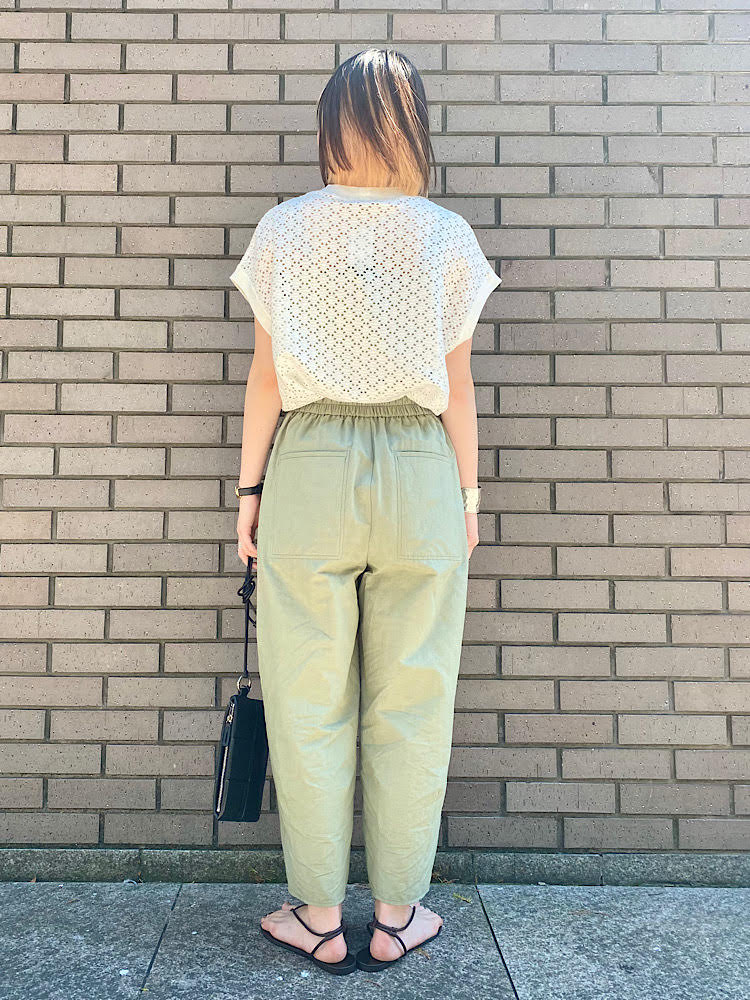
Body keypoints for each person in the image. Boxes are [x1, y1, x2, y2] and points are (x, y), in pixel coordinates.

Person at [230, 47, 501, 975]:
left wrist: (250, 494)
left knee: (307, 695)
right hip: (421, 466)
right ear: (413, 125)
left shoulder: (284, 227)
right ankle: (395, 914)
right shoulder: (446, 236)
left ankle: (316, 914)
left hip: (310, 463)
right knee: (413, 695)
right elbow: (458, 387)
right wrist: (468, 497)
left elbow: (266, 380)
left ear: (331, 124)